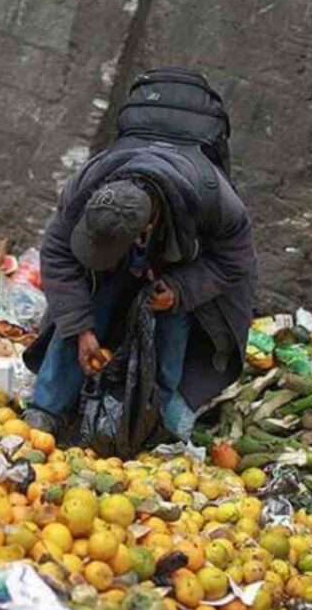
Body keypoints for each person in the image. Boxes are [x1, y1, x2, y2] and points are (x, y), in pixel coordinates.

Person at [22, 136, 257, 444]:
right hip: (118, 267)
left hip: (185, 267)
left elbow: (234, 261)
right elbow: (56, 253)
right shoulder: (87, 185)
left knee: (171, 325)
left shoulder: (215, 203)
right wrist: (81, 330)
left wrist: (181, 289)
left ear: (147, 226)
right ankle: (47, 409)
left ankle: (158, 423)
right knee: (84, 308)